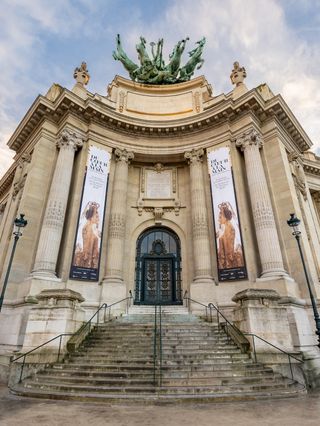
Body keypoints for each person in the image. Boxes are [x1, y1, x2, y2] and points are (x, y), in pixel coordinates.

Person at [75, 202, 101, 269]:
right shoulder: (87, 228)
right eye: (96, 217)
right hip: (86, 260)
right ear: (91, 218)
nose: (98, 219)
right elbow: (87, 249)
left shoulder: (93, 229)